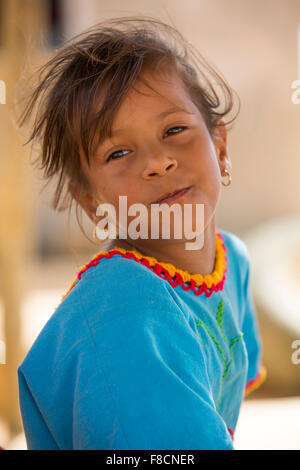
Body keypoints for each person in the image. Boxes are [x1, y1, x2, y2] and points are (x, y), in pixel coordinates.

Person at [16, 16, 266, 450]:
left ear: (219, 146)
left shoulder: (232, 261)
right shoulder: (123, 314)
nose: (157, 161)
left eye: (173, 130)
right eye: (119, 152)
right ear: (92, 202)